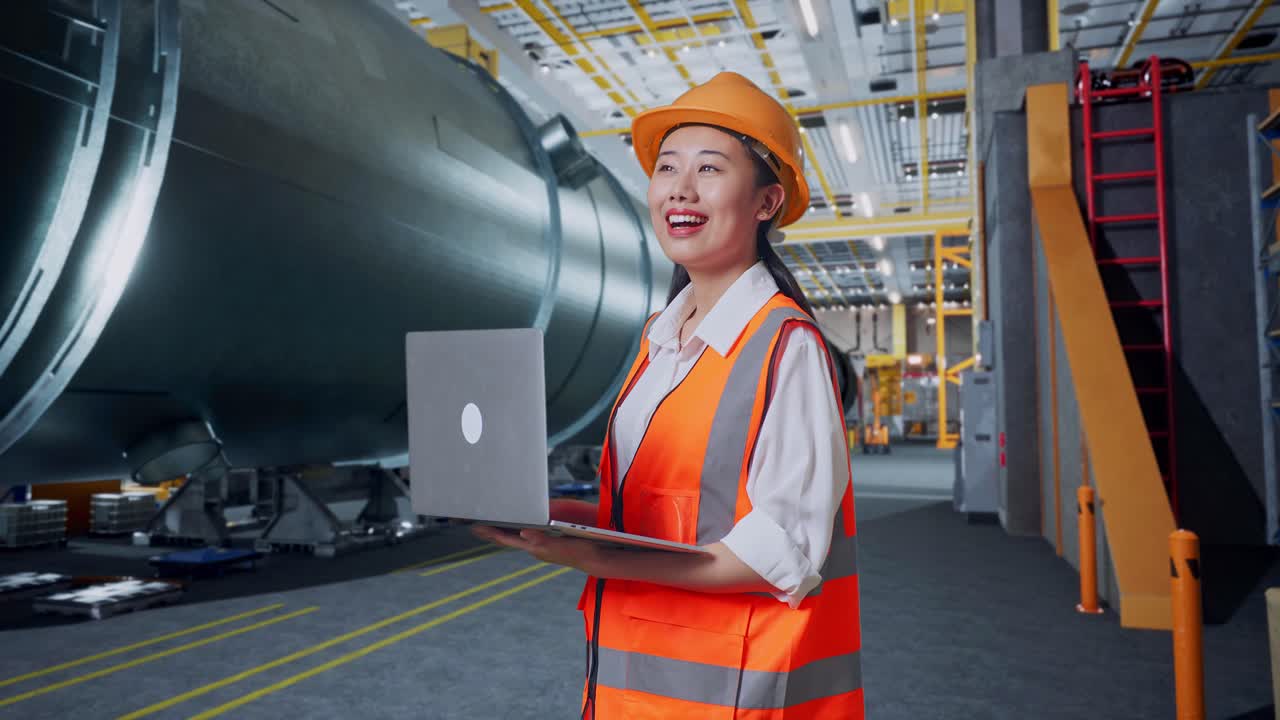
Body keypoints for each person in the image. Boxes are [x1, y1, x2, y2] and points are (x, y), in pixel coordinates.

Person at [473, 71, 862, 719]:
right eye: (667, 168)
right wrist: (556, 513)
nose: (680, 188)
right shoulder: (662, 343)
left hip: (736, 692)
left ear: (766, 202)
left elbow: (780, 555)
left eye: (709, 169)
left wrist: (596, 555)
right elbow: (663, 512)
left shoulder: (785, 348)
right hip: (635, 683)